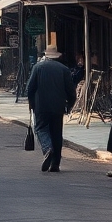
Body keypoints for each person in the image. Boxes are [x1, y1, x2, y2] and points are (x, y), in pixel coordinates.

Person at [25, 44, 76, 173]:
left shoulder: (38, 67)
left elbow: (30, 88)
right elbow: (71, 91)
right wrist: (69, 105)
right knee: (56, 134)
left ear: (46, 55)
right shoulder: (64, 69)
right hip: (58, 106)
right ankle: (55, 164)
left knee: (41, 129)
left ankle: (48, 148)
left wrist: (31, 104)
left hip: (41, 106)